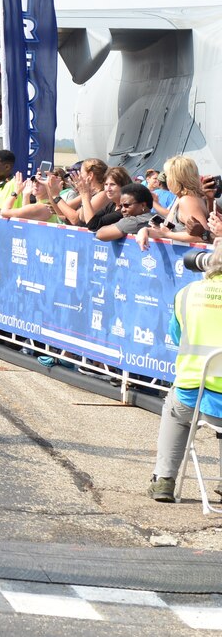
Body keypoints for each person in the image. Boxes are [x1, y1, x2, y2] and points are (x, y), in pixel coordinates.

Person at [147, 247, 222, 502]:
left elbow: (177, 337)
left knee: (174, 410)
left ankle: (164, 480)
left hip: (192, 392)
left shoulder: (187, 293)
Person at [137, 156, 213, 249]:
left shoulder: (187, 200)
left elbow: (202, 236)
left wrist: (168, 234)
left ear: (175, 178)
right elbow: (167, 231)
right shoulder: (180, 198)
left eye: (167, 176)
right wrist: (145, 231)